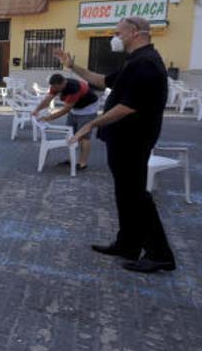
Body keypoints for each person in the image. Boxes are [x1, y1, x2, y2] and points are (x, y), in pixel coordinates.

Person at [58, 17, 174, 273]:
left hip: (133, 140)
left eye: (118, 32)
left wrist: (90, 125)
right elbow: (101, 81)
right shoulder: (134, 62)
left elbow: (127, 107)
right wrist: (72, 66)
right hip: (121, 140)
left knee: (137, 196)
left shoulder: (146, 64)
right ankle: (128, 244)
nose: (115, 37)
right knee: (125, 194)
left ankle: (160, 254)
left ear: (134, 33)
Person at [31, 73, 99, 170]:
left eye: (57, 88)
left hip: (88, 108)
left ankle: (82, 163)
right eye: (53, 87)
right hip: (75, 108)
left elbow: (65, 110)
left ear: (63, 83)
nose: (55, 90)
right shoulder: (56, 85)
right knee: (70, 133)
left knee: (83, 136)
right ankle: (72, 160)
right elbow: (47, 100)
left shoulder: (73, 88)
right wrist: (36, 110)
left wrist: (48, 118)